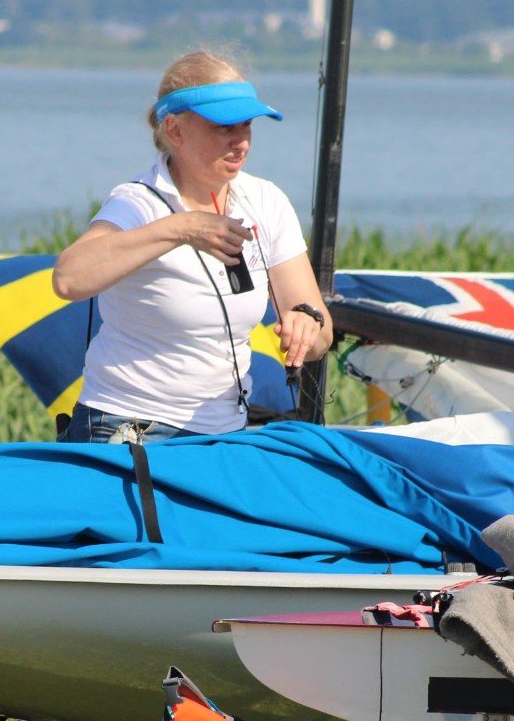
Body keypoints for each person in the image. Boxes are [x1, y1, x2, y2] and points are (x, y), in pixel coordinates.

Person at [51, 51, 332, 443]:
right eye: (223, 127)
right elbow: (68, 278)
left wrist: (308, 324)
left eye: (247, 125)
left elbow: (320, 332)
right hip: (127, 427)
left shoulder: (266, 201)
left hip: (224, 432)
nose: (241, 142)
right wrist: (180, 228)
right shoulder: (137, 202)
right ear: (175, 131)